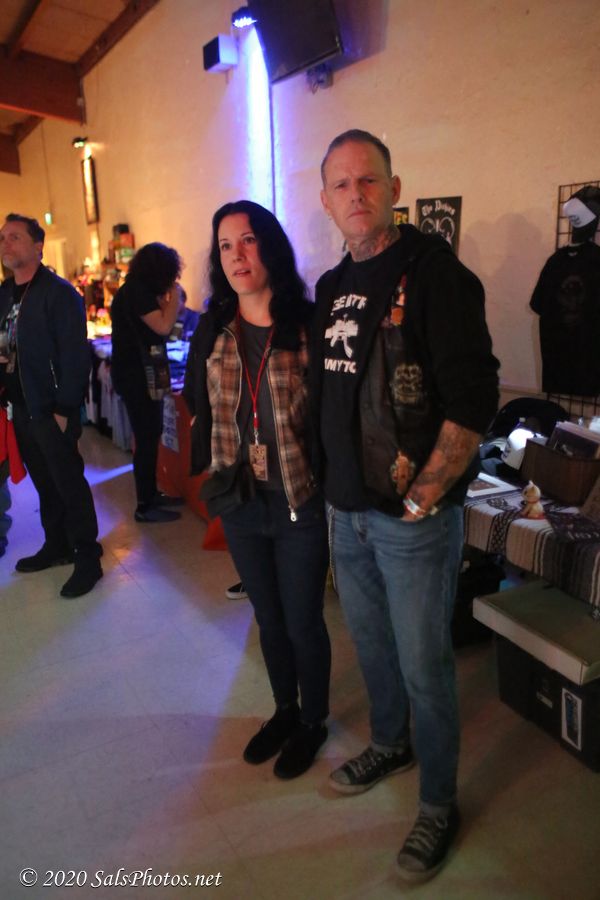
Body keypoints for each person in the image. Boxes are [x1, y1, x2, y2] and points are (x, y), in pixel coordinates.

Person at [310, 130, 499, 882]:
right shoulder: (331, 287)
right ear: (325, 200)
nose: (355, 194)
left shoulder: (435, 275)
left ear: (394, 188)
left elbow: (474, 396)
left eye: (369, 180)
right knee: (372, 646)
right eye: (341, 184)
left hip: (410, 520)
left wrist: (425, 497)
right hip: (346, 511)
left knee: (426, 666)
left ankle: (439, 804)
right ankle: (391, 744)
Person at [184, 200, 330, 779]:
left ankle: (313, 721)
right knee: (267, 618)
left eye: (247, 240)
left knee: (302, 622)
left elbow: (330, 414)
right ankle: (285, 710)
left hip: (298, 498)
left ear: (270, 245)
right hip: (241, 499)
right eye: (225, 246)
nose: (237, 255)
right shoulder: (214, 328)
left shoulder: (307, 326)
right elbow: (198, 400)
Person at [0, 214, 103, 598]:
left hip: (51, 408)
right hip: (19, 407)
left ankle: (88, 557)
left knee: (68, 483)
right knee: (44, 483)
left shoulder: (59, 294)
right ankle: (57, 544)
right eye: (2, 238)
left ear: (38, 246)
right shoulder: (4, 293)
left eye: (14, 237)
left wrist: (64, 409)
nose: (6, 244)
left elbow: (76, 356)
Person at [110, 242, 184, 523]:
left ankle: (151, 494)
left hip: (135, 373)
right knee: (147, 438)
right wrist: (175, 293)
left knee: (149, 435)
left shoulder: (134, 290)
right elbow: (164, 326)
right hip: (137, 376)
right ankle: (145, 505)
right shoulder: (138, 292)